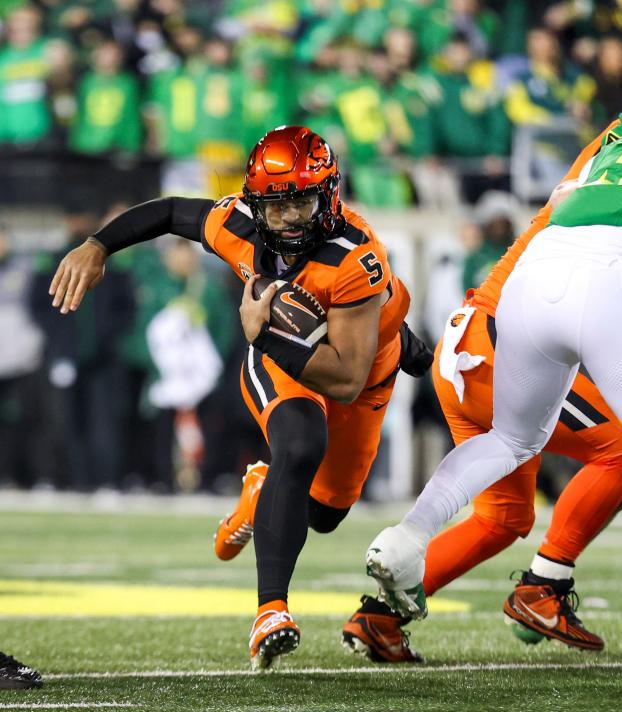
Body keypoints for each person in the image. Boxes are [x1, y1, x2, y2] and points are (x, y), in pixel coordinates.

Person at [364, 65, 622, 684]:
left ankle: (407, 537)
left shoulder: (619, 148)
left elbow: (563, 204)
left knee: (510, 440)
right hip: (611, 284)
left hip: (533, 284)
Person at [48, 125, 430, 670]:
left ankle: (259, 492)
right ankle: (271, 610)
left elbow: (347, 374)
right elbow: (170, 211)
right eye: (277, 206)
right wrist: (99, 243)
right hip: (284, 362)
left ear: (329, 194)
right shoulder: (238, 223)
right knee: (299, 446)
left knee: (324, 514)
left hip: (361, 372)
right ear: (255, 204)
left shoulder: (354, 254)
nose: (292, 217)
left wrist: (267, 331)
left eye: (303, 200)